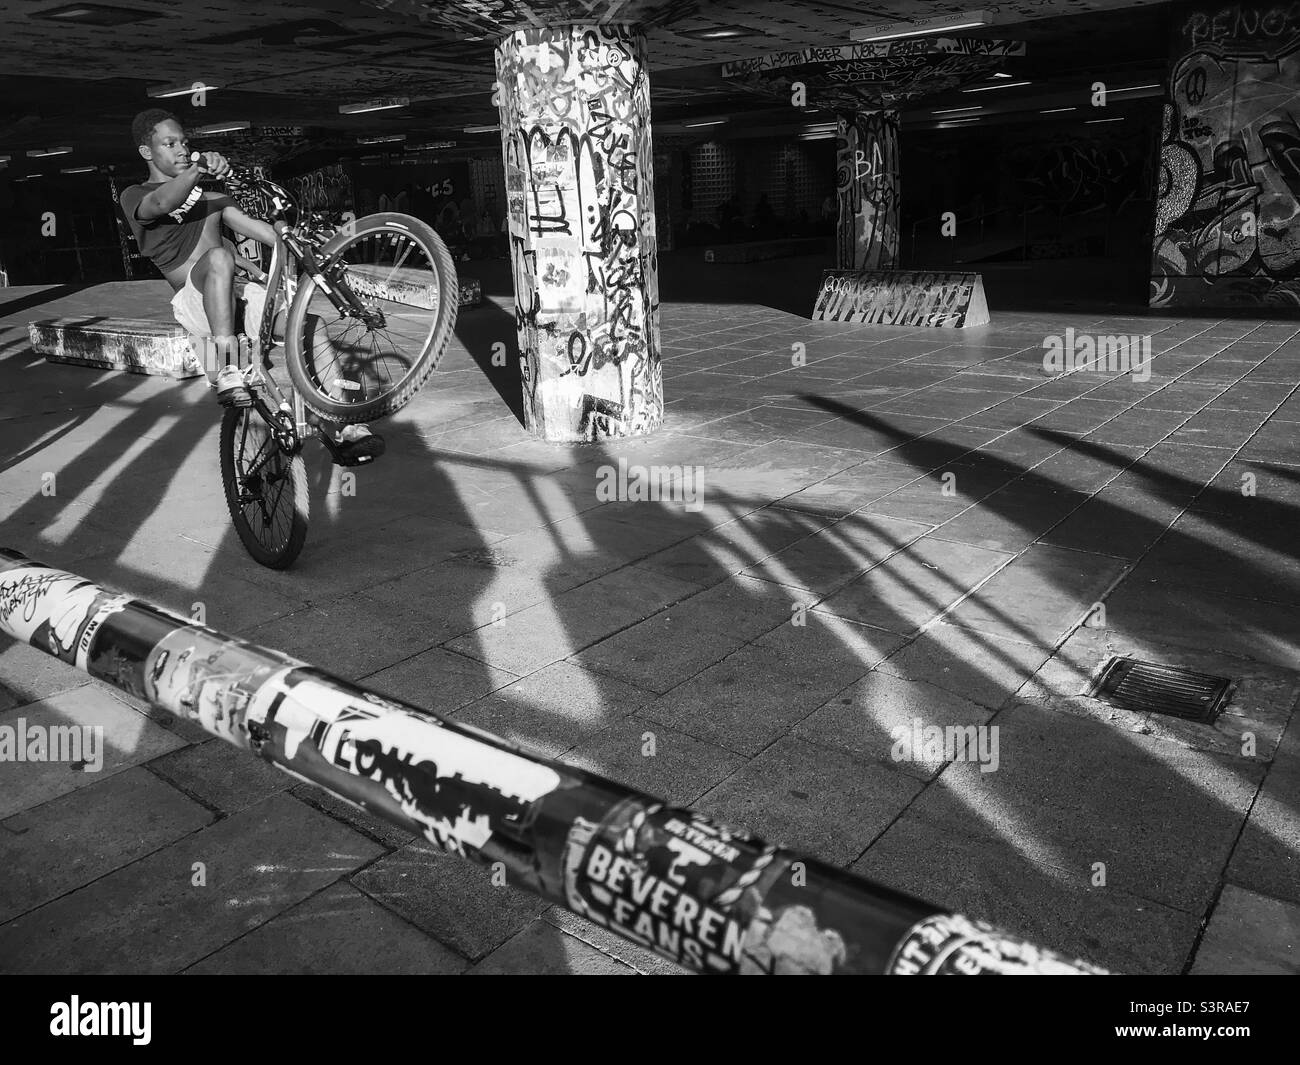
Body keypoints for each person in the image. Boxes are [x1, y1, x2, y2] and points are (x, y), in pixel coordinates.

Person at [118, 110, 382, 463]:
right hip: (197, 303)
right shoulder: (135, 195)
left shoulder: (212, 199)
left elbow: (260, 230)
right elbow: (162, 203)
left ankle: (344, 425)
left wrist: (303, 239)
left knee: (308, 327)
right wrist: (199, 168)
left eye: (185, 142)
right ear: (147, 152)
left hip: (239, 294)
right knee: (218, 257)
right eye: (170, 144)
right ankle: (228, 364)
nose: (182, 149)